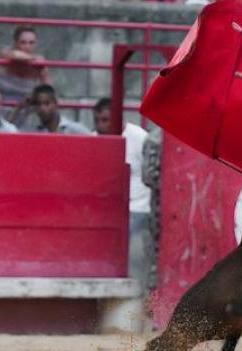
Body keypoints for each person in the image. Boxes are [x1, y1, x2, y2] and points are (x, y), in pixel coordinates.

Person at [93, 97, 153, 293]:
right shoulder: (95, 139)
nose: (101, 126)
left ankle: (135, 291)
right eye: (98, 121)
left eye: (106, 120)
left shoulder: (140, 138)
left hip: (138, 207)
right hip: (110, 208)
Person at [0, 25, 51, 127]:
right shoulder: (7, 56)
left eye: (31, 43)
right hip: (2, 108)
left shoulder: (39, 65)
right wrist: (34, 59)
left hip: (27, 110)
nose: (27, 46)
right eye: (23, 42)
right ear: (15, 43)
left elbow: (49, 88)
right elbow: (15, 55)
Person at [24, 84, 93, 135]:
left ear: (55, 104)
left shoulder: (75, 129)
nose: (42, 108)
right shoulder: (32, 132)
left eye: (47, 103)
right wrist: (19, 108)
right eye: (38, 104)